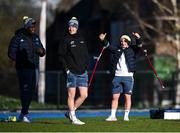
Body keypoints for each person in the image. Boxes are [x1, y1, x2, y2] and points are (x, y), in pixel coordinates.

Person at [8, 16, 45, 123]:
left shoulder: (36, 37)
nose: (33, 27)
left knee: (31, 91)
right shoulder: (17, 38)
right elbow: (11, 54)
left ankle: (23, 114)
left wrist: (42, 51)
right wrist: (21, 59)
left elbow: (43, 52)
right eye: (31, 25)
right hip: (23, 69)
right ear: (26, 26)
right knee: (25, 90)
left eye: (34, 25)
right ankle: (24, 114)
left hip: (34, 68)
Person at [99, 32, 142, 121]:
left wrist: (138, 38)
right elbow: (108, 45)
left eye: (125, 41)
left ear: (128, 42)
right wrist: (103, 40)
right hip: (117, 76)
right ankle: (112, 116)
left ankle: (126, 116)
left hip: (128, 77)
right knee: (115, 97)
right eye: (122, 41)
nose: (123, 42)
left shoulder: (133, 49)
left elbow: (139, 45)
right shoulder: (116, 49)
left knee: (127, 97)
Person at [59, 17, 89, 125]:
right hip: (71, 72)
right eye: (70, 26)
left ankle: (70, 112)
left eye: (73, 26)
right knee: (71, 95)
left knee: (84, 95)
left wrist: (86, 66)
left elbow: (86, 54)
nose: (71, 28)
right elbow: (61, 56)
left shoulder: (81, 38)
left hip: (82, 72)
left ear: (77, 27)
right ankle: (73, 118)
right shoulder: (65, 39)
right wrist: (66, 69)